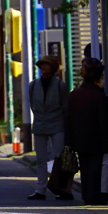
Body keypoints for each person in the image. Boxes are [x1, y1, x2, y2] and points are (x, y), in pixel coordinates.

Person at [66, 58, 108, 205]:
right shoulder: (98, 96)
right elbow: (104, 121)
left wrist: (69, 140)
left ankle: (87, 195)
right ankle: (93, 197)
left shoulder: (75, 94)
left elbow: (68, 119)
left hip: (79, 138)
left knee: (85, 168)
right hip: (96, 139)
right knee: (95, 168)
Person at [27, 55, 72, 201]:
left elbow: (65, 107)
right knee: (40, 158)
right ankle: (41, 189)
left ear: (53, 68)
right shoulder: (33, 85)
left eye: (47, 64)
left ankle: (61, 188)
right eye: (42, 65)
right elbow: (32, 105)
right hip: (40, 123)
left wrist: (65, 125)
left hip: (57, 123)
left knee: (59, 158)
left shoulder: (60, 85)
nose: (43, 67)